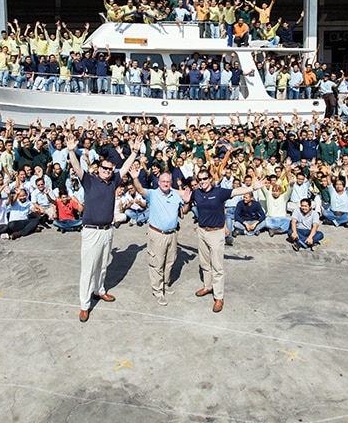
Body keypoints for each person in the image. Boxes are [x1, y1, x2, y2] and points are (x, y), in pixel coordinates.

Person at [66, 134, 142, 323]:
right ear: (98, 168)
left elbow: (124, 169)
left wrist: (134, 152)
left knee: (102, 265)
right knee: (88, 268)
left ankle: (99, 290)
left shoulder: (113, 181)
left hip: (108, 230)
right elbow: (76, 167)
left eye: (110, 169)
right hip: (91, 231)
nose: (108, 171)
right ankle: (84, 305)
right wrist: (70, 151)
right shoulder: (90, 181)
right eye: (104, 168)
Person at [188, 168, 265, 313]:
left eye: (205, 179)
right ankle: (207, 286)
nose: (202, 182)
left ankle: (219, 297)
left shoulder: (219, 192)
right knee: (204, 263)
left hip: (216, 233)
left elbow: (236, 191)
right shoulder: (196, 193)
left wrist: (253, 187)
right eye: (200, 180)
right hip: (202, 231)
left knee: (217, 266)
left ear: (210, 179)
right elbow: (184, 197)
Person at [129, 168, 191, 306]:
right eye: (163, 181)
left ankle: (165, 284)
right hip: (157, 234)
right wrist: (135, 178)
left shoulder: (175, 195)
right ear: (158, 182)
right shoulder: (152, 194)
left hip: (172, 234)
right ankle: (157, 290)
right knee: (157, 262)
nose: (165, 183)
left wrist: (187, 202)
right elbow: (140, 190)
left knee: (170, 261)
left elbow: (183, 213)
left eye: (168, 181)